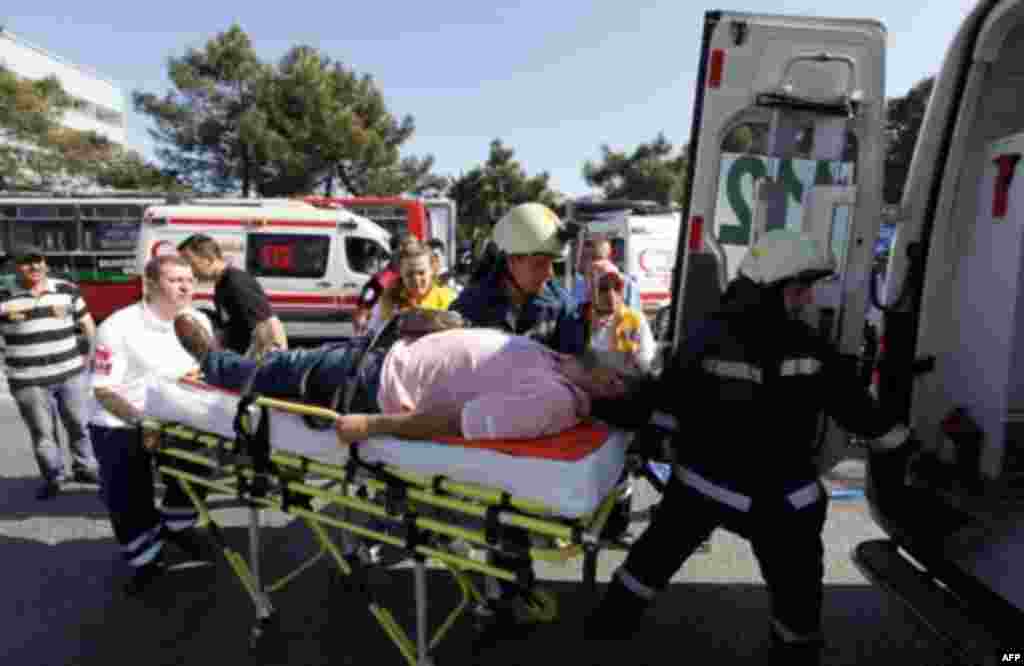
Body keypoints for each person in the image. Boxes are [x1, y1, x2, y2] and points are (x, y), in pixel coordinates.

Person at [582, 230, 913, 664]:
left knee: (649, 563)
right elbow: (861, 414)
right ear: (775, 286)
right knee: (797, 608)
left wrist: (593, 406)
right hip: (784, 503)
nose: (805, 299)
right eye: (801, 289)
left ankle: (606, 631)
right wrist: (906, 447)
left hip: (704, 488)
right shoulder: (809, 347)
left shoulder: (706, 336)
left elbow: (659, 400)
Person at [172, 309, 625, 442]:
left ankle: (213, 364)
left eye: (620, 361)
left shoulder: (555, 400)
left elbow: (457, 420)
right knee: (286, 365)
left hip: (375, 385)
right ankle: (234, 363)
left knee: (279, 372)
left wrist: (372, 425)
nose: (611, 353)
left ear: (614, 385)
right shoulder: (559, 363)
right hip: (385, 357)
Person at [90, 255, 215, 596]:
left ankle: (178, 527)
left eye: (190, 279)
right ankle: (146, 559)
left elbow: (207, 369)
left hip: (177, 419)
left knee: (195, 473)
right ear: (150, 285)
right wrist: (141, 422)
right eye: (175, 280)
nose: (186, 286)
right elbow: (103, 389)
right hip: (121, 421)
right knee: (129, 497)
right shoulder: (117, 327)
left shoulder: (198, 319)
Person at [0, 244, 100, 500]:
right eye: (26, 262)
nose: (34, 266)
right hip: (27, 380)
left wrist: (89, 359)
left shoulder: (66, 290)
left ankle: (86, 468)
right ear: (16, 266)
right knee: (43, 434)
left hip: (70, 373)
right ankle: (53, 476)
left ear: (45, 262)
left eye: (38, 260)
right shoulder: (3, 295)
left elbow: (87, 324)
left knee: (80, 424)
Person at [450, 202, 585, 355]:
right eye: (539, 264)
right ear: (512, 261)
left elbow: (575, 361)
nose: (549, 274)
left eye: (551, 263)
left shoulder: (562, 308)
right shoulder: (471, 307)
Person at [176, 234, 287, 358]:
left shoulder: (235, 282)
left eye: (189, 262)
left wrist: (253, 366)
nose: (187, 269)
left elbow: (269, 326)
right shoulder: (222, 283)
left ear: (207, 259)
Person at [365, 241, 457, 334]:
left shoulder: (449, 299)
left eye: (421, 273)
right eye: (409, 274)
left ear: (432, 270)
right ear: (400, 273)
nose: (416, 279)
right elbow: (372, 337)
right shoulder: (387, 302)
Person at [585, 259, 657, 375]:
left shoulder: (635, 320)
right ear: (590, 290)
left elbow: (647, 366)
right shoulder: (575, 321)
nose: (611, 294)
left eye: (617, 287)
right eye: (603, 288)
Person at [352, 232, 418, 336]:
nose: (413, 255)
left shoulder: (420, 279)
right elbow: (362, 313)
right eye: (408, 251)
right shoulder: (378, 282)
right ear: (396, 251)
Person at [573, 235, 642, 311]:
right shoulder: (578, 286)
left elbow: (634, 317)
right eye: (584, 259)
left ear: (610, 258)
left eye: (596, 258)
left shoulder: (628, 285)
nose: (591, 266)